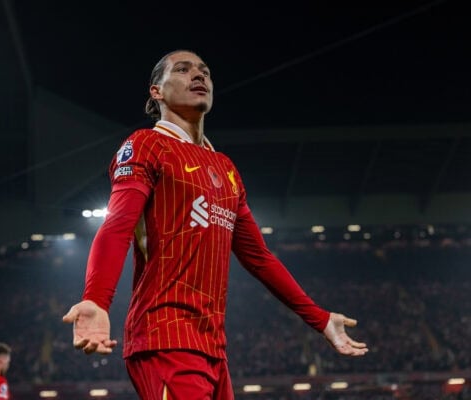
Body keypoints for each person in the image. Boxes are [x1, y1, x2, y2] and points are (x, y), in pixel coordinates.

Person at [63, 49, 369, 399]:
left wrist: (320, 317)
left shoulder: (225, 168)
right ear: (156, 92)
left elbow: (259, 258)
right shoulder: (146, 145)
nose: (199, 76)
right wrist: (96, 300)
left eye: (205, 71)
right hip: (165, 336)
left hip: (213, 346)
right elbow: (116, 226)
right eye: (183, 69)